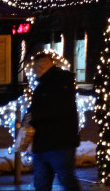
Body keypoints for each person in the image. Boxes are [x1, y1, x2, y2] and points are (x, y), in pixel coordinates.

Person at [28, 52, 81, 191]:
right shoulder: (43, 85)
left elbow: (57, 110)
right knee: (44, 183)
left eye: (36, 67)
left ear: (43, 66)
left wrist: (34, 116)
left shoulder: (60, 83)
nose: (34, 70)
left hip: (59, 143)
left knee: (65, 181)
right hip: (45, 143)